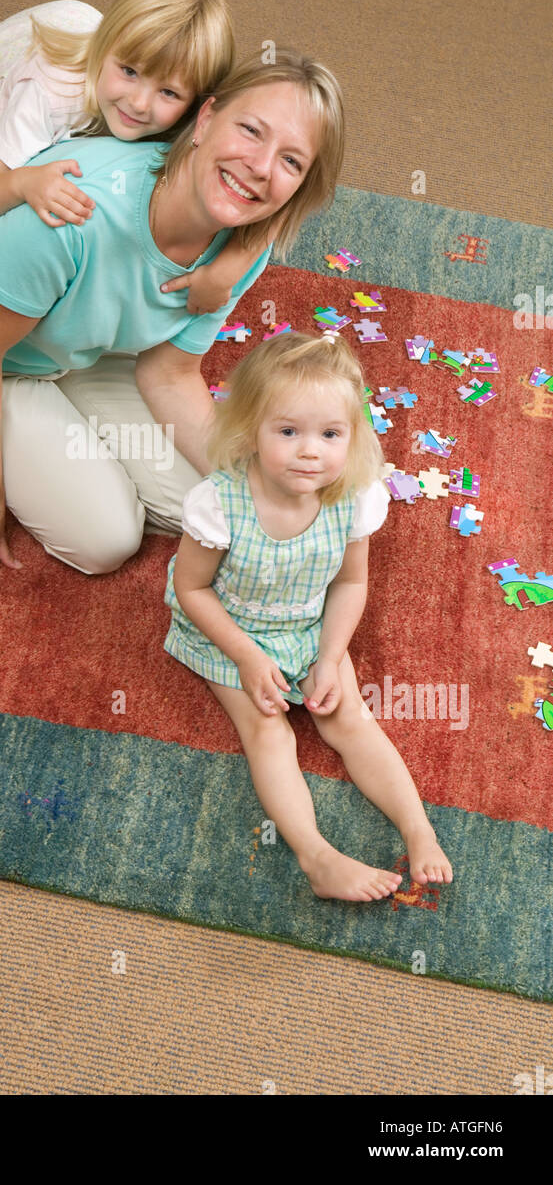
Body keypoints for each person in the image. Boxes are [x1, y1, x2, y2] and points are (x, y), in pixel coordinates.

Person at [0, 49, 344, 604]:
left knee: (221, 497)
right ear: (206, 118)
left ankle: (61, 410)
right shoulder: (65, 220)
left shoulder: (244, 236)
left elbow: (170, 374)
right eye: (250, 130)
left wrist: (263, 493)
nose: (262, 168)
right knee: (106, 539)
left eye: (291, 162)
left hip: (76, 343)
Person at [163, 331, 454, 903]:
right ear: (251, 430)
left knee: (352, 721)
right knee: (268, 732)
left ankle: (418, 829)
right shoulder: (220, 503)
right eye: (288, 431)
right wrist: (246, 658)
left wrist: (329, 656)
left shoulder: (353, 497)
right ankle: (316, 857)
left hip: (309, 628)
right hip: (229, 631)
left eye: (329, 434)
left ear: (353, 437)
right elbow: (192, 589)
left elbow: (350, 581)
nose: (309, 451)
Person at [0, 0, 253, 334]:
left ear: (198, 106)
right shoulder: (48, 95)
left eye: (168, 92)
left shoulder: (192, 120)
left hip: (89, 37)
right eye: (130, 72)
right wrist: (22, 183)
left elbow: (273, 200)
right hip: (9, 63)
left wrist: (229, 269)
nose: (138, 103)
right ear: (106, 48)